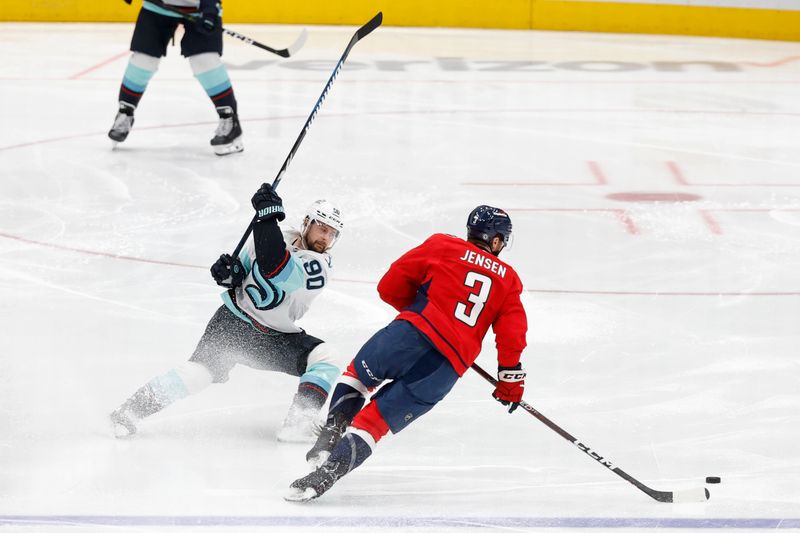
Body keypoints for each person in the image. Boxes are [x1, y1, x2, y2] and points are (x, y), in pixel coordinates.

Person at [285, 205, 528, 502]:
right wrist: (510, 382)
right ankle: (325, 476)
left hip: (406, 336)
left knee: (359, 376)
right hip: (446, 367)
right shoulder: (509, 279)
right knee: (374, 423)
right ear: (495, 241)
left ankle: (329, 436)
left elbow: (390, 286)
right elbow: (511, 336)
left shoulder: (443, 244)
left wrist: (420, 313)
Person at [110, 184, 344, 442]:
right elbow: (243, 273)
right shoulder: (272, 233)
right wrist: (230, 274)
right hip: (233, 323)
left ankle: (297, 424)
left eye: (332, 234)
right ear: (307, 223)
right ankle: (128, 413)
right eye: (322, 228)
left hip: (274, 339)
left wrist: (267, 217)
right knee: (199, 373)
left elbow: (276, 268)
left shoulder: (320, 266)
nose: (326, 238)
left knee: (326, 357)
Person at [108, 0, 244, 155]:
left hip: (200, 8)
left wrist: (210, 9)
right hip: (157, 7)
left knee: (204, 61)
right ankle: (125, 112)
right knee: (143, 60)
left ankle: (229, 119)